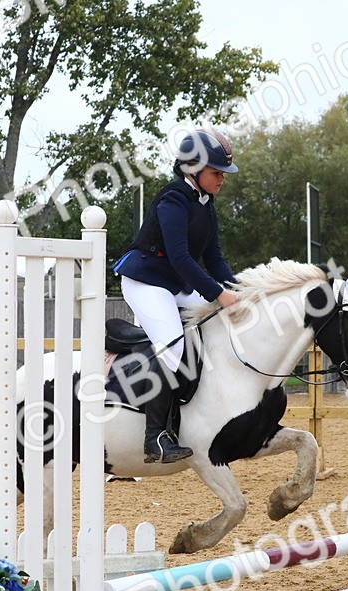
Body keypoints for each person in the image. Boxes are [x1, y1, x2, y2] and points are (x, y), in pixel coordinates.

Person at [113, 128, 241, 464]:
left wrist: (238, 289)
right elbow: (182, 258)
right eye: (216, 173)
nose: (221, 180)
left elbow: (213, 258)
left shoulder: (205, 204)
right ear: (193, 169)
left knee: (218, 323)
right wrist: (217, 293)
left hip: (174, 284)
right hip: (145, 282)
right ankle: (155, 437)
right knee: (173, 346)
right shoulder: (173, 199)